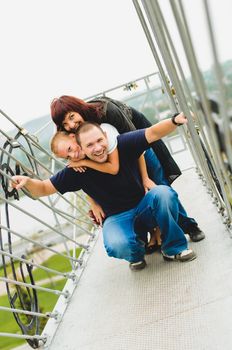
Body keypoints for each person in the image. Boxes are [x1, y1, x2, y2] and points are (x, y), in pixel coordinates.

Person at [12, 113, 199, 271]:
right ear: (81, 145)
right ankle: (136, 251)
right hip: (117, 218)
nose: (97, 148)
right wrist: (28, 182)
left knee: (164, 194)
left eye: (99, 141)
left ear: (105, 136)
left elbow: (152, 133)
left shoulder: (120, 144)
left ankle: (173, 247)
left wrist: (175, 120)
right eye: (89, 146)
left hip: (144, 206)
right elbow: (44, 188)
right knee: (117, 243)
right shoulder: (75, 170)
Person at [50, 95, 205, 248]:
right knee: (136, 192)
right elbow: (85, 177)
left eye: (72, 116)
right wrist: (93, 202)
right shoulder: (73, 138)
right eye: (65, 123)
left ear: (78, 108)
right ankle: (155, 233)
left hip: (138, 140)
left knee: (157, 185)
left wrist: (144, 178)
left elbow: (137, 149)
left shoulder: (105, 111)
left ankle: (189, 226)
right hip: (112, 154)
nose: (71, 124)